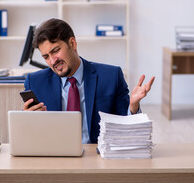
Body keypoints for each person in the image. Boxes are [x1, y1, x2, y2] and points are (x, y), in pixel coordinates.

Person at [23, 18, 155, 143]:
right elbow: (30, 136)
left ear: (72, 43)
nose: (52, 61)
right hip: (56, 158)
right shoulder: (35, 82)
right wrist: (27, 120)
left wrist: (133, 106)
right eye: (46, 57)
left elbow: (125, 126)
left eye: (56, 51)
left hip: (98, 157)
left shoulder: (110, 77)